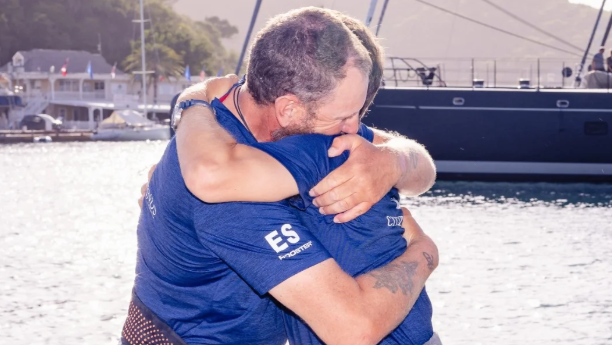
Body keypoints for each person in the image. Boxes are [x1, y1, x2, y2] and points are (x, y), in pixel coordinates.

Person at [126, 8, 438, 345]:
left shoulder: (282, 126)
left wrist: (394, 162)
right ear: (288, 109)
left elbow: (423, 170)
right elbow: (353, 327)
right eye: (347, 116)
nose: (355, 130)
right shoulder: (232, 192)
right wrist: (424, 252)